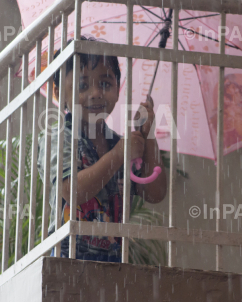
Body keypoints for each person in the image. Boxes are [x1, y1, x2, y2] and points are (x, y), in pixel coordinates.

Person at [37, 36, 167, 262]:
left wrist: (148, 136)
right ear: (58, 94)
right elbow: (72, 190)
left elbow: (154, 193)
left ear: (118, 88)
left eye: (105, 84)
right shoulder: (59, 137)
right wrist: (118, 155)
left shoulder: (119, 143)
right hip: (69, 257)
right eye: (83, 85)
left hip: (114, 260)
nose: (96, 93)